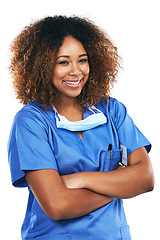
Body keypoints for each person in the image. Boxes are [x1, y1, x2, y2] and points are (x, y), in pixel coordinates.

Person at [8, 15, 154, 240]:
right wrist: (118, 184)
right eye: (63, 62)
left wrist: (81, 179)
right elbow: (58, 205)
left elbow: (145, 179)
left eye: (82, 60)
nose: (76, 71)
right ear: (42, 66)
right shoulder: (31, 122)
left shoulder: (112, 111)